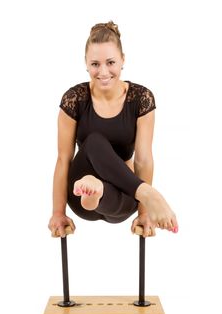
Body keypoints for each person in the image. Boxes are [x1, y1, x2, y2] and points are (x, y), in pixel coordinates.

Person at [48, 21, 178, 238]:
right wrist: (58, 213)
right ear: (86, 64)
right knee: (94, 142)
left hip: (121, 198)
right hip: (79, 191)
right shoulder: (74, 99)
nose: (103, 72)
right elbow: (63, 159)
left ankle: (97, 189)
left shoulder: (141, 99)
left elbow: (143, 160)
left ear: (123, 60)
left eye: (111, 62)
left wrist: (143, 214)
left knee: (109, 187)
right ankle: (146, 193)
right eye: (95, 64)